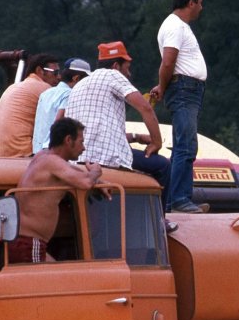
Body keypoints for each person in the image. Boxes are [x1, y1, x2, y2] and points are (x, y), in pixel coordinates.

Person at [66, 41, 172, 213]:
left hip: (78, 158)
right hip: (106, 157)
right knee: (162, 165)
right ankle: (160, 219)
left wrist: (137, 137)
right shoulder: (113, 76)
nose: (129, 73)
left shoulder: (81, 84)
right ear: (116, 65)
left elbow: (102, 129)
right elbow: (145, 108)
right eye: (127, 67)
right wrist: (156, 142)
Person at [8, 118, 105, 263]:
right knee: (54, 283)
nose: (83, 148)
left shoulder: (43, 157)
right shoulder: (52, 162)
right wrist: (96, 172)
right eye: (81, 142)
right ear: (68, 140)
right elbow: (85, 182)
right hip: (29, 242)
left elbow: (77, 174)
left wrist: (99, 182)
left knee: (60, 278)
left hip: (24, 241)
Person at [150, 0, 208, 213]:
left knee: (183, 145)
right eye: (200, 2)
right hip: (184, 88)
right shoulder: (175, 26)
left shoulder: (178, 26)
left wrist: (163, 85)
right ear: (191, 3)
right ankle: (180, 200)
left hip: (187, 88)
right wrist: (163, 87)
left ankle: (176, 199)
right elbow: (168, 61)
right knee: (186, 145)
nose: (201, 8)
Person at [0, 53, 60, 157]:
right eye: (55, 73)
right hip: (21, 153)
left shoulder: (13, 87)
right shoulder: (45, 89)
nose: (59, 77)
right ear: (39, 71)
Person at [32, 58, 91, 154]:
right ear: (76, 78)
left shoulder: (46, 93)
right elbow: (59, 121)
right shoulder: (69, 94)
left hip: (37, 151)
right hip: (51, 151)